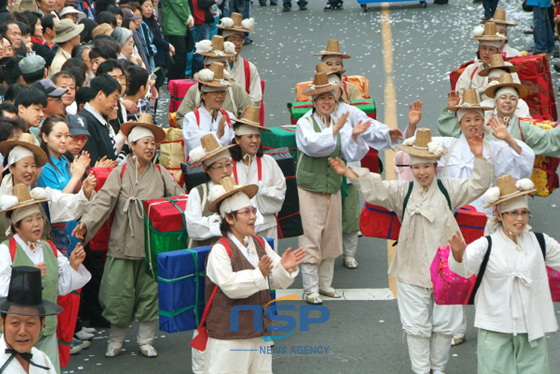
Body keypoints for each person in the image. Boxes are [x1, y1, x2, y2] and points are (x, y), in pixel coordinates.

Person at [330, 127, 493, 374]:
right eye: (416, 167)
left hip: (447, 269)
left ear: (435, 166)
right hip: (411, 268)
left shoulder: (449, 188)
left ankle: (437, 370)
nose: (421, 172)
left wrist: (480, 157)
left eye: (426, 166)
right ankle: (420, 371)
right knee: (416, 328)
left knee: (444, 326)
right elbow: (376, 187)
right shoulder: (402, 191)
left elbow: (478, 184)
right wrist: (348, 172)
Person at [73, 114, 185, 358]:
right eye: (145, 142)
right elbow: (103, 202)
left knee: (149, 294)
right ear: (132, 146)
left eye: (153, 144)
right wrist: (85, 223)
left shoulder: (161, 172)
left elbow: (180, 201)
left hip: (151, 246)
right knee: (117, 294)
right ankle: (116, 340)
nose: (150, 147)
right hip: (122, 244)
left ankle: (145, 340)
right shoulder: (120, 173)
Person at [448, 174, 560, 374]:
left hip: (531, 326)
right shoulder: (486, 244)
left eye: (524, 212)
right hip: (495, 327)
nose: (520, 218)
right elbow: (463, 269)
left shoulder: (540, 242)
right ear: (499, 215)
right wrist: (457, 253)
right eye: (513, 213)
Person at [201, 176, 305, 373]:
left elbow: (272, 281)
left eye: (253, 211)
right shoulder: (220, 250)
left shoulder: (260, 243)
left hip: (259, 331)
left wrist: (284, 267)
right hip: (229, 335)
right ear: (229, 218)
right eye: (246, 212)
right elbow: (231, 287)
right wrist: (260, 274)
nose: (253, 217)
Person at [0, 183, 91, 373]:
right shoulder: (6, 250)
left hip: (45, 328)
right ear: (16, 226)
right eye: (29, 220)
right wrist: (27, 277)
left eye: (39, 218)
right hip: (16, 332)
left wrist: (73, 263)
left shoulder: (48, 247)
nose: (37, 224)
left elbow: (61, 287)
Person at [296, 72, 370, 305]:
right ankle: (310, 288)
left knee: (330, 237)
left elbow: (351, 153)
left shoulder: (338, 122)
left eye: (331, 97)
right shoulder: (304, 123)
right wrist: (335, 130)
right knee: (311, 237)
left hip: (333, 187)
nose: (327, 102)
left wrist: (355, 136)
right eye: (321, 98)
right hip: (309, 188)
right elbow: (312, 146)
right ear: (313, 102)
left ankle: (325, 285)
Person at [439, 76, 560, 159]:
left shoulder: (523, 127)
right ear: (495, 102)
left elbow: (549, 139)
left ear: (517, 104)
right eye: (503, 98)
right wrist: (451, 110)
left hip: (514, 179)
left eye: (513, 99)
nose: (508, 101)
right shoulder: (482, 123)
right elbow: (453, 130)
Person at [229, 106, 285, 248]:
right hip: (238, 229)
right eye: (249, 137)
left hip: (266, 226)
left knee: (269, 265)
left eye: (257, 136)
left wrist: (261, 190)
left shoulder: (269, 162)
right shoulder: (228, 165)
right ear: (237, 139)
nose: (255, 141)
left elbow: (281, 191)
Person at [0, 266, 63, 374]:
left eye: (30, 323)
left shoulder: (43, 360)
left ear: (42, 324)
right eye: (15, 323)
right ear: (3, 323)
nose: (22, 331)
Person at [186, 133, 234, 248]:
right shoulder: (198, 193)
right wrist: (225, 223)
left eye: (228, 165)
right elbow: (193, 227)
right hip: (206, 252)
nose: (226, 170)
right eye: (219, 167)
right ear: (207, 169)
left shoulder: (239, 189)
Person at [455, 22, 519, 100]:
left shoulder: (508, 68)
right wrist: (482, 89)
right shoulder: (471, 70)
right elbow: (459, 95)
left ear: (498, 51)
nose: (487, 53)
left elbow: (516, 94)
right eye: (484, 48)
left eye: (491, 49)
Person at [182, 62, 235, 154]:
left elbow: (235, 144)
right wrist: (217, 135)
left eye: (223, 92)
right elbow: (193, 145)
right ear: (203, 95)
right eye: (215, 93)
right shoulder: (191, 118)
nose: (220, 96)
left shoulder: (229, 116)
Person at [218, 13, 262, 106]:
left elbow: (255, 98)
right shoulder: (214, 64)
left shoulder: (249, 67)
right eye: (233, 40)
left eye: (240, 40)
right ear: (224, 42)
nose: (237, 43)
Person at [78, 74, 122, 163]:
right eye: (114, 98)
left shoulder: (99, 121)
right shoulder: (85, 121)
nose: (115, 104)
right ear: (100, 94)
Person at [161, 0, 193, 80]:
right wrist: (187, 18)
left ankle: (178, 83)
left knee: (181, 57)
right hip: (173, 27)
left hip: (180, 27)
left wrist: (189, 17)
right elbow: (177, 3)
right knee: (178, 57)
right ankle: (174, 83)